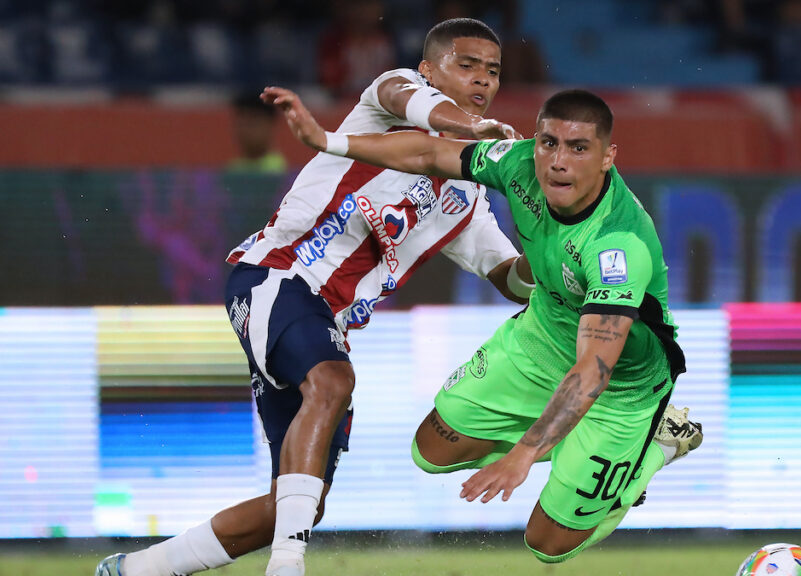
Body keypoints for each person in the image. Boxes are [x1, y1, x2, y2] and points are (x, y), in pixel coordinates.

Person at [96, 18, 533, 576]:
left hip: (327, 321)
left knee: (297, 503)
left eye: (492, 72)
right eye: (466, 65)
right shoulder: (391, 94)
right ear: (428, 69)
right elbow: (423, 110)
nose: (481, 80)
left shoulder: (468, 200)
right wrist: (481, 127)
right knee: (333, 381)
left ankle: (133, 571)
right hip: (274, 275)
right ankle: (287, 568)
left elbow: (508, 277)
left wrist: (550, 262)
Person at [263, 85, 704, 563]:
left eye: (579, 148)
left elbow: (593, 372)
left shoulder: (618, 245)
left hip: (621, 388)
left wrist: (523, 456)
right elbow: (430, 151)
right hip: (539, 341)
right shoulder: (516, 164)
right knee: (429, 452)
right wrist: (329, 141)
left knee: (547, 545)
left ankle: (656, 445)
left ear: (607, 157)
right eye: (549, 142)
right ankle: (572, 446)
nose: (558, 161)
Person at [226, 93, 288, 174]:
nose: (245, 129)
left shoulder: (280, 170)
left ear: (269, 124)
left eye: (252, 122)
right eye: (242, 122)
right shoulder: (232, 170)